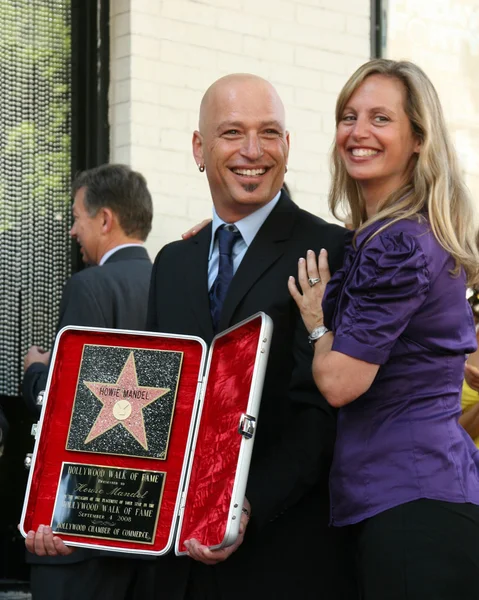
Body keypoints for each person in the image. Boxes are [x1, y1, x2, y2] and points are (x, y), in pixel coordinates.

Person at [145, 74, 356, 599]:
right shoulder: (171, 263)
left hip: (281, 556)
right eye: (232, 132)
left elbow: (323, 410)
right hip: (175, 566)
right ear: (199, 147)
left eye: (269, 133)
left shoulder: (331, 251)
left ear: (287, 146)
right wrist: (76, 502)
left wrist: (248, 504)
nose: (253, 151)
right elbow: (153, 397)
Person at [289, 58, 479, 599]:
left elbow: (339, 382)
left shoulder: (397, 243)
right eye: (349, 116)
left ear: (418, 138)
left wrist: (315, 324)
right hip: (419, 496)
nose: (359, 132)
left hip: (413, 507)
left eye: (381, 119)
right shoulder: (391, 234)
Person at [24, 163, 155, 600]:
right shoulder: (174, 283)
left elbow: (75, 407)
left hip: (79, 531)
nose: (73, 232)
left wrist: (36, 372)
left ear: (104, 219)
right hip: (148, 527)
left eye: (77, 218)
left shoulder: (90, 286)